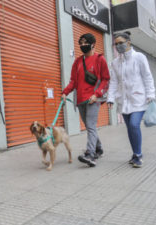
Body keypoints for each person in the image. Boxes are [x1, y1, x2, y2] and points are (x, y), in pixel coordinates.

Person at [107, 31, 156, 168]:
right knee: (130, 129)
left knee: (134, 125)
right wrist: (110, 98)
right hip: (123, 101)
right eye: (116, 44)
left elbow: (147, 76)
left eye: (121, 43)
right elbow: (114, 82)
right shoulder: (115, 62)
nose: (118, 46)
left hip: (139, 99)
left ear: (128, 42)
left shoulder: (139, 57)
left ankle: (139, 155)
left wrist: (150, 94)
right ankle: (135, 154)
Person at [61, 33, 110, 167]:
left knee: (90, 125)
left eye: (85, 42)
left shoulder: (100, 59)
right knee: (90, 126)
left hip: (93, 99)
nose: (82, 45)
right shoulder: (77, 61)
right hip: (81, 100)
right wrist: (65, 92)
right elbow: (73, 81)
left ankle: (90, 155)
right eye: (80, 43)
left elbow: (106, 79)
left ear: (93, 44)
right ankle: (99, 149)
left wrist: (97, 94)